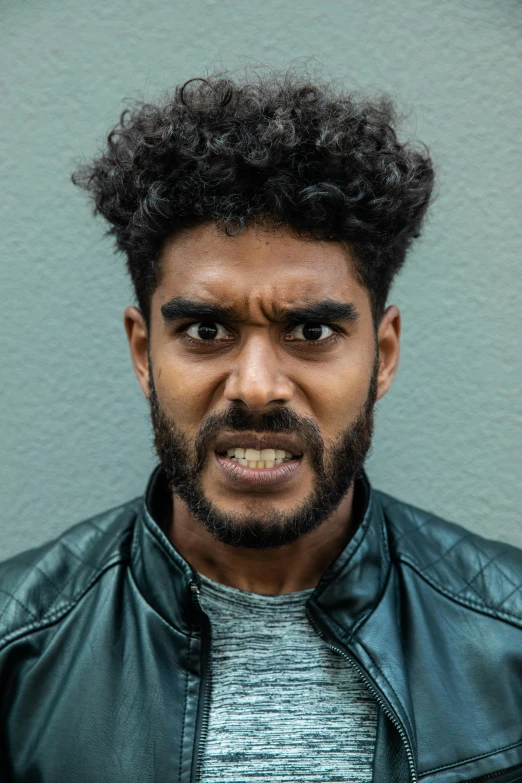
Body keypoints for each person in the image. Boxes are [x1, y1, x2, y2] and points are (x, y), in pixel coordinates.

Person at [1, 70, 521, 783]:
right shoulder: (16, 647)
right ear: (142, 351)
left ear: (384, 354)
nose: (255, 386)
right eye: (206, 328)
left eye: (311, 329)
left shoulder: (507, 638)